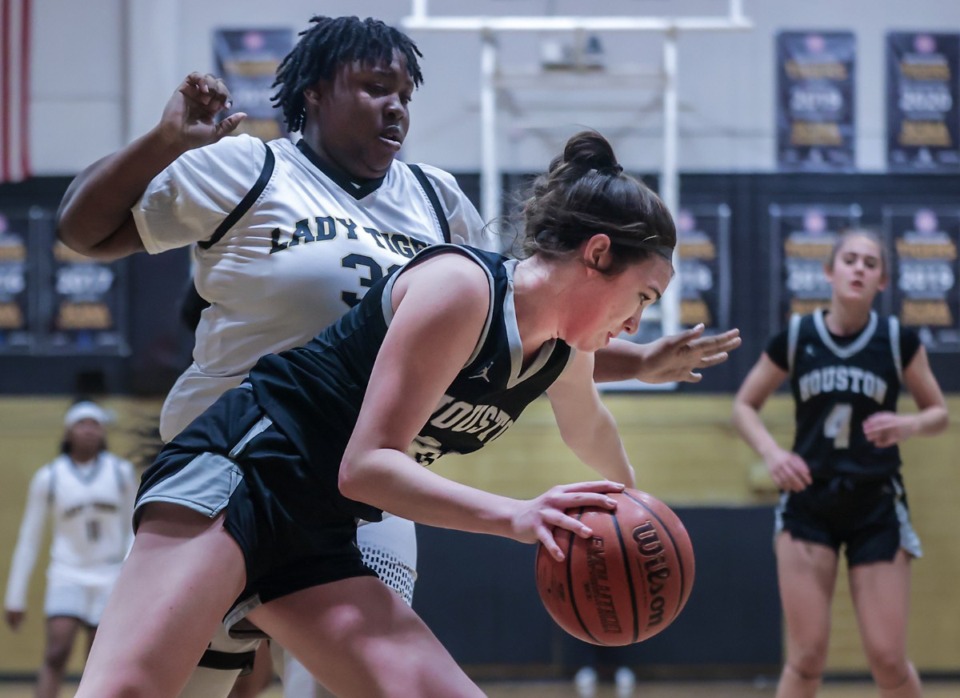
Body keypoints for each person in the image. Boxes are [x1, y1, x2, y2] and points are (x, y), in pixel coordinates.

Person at [55, 15, 739, 697]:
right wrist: (164, 144)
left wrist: (635, 488)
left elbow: (519, 337)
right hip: (246, 462)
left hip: (345, 508)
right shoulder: (259, 170)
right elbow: (82, 229)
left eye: (408, 94)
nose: (398, 107)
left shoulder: (438, 203)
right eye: (378, 86)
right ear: (317, 92)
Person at [732, 229, 948, 698]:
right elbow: (744, 405)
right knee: (806, 659)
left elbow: (940, 414)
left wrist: (908, 425)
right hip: (808, 503)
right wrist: (773, 453)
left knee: (888, 660)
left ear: (882, 281)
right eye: (849, 259)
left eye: (871, 263)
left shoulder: (896, 340)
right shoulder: (796, 337)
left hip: (876, 504)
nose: (859, 268)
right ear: (829, 272)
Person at [4, 401, 136, 698]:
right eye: (82, 424)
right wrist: (15, 595)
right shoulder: (50, 476)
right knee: (56, 651)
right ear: (67, 432)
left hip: (109, 574)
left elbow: (134, 527)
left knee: (99, 660)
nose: (89, 430)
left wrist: (128, 574)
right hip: (67, 573)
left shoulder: (121, 472)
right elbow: (29, 538)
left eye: (95, 424)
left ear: (103, 432)